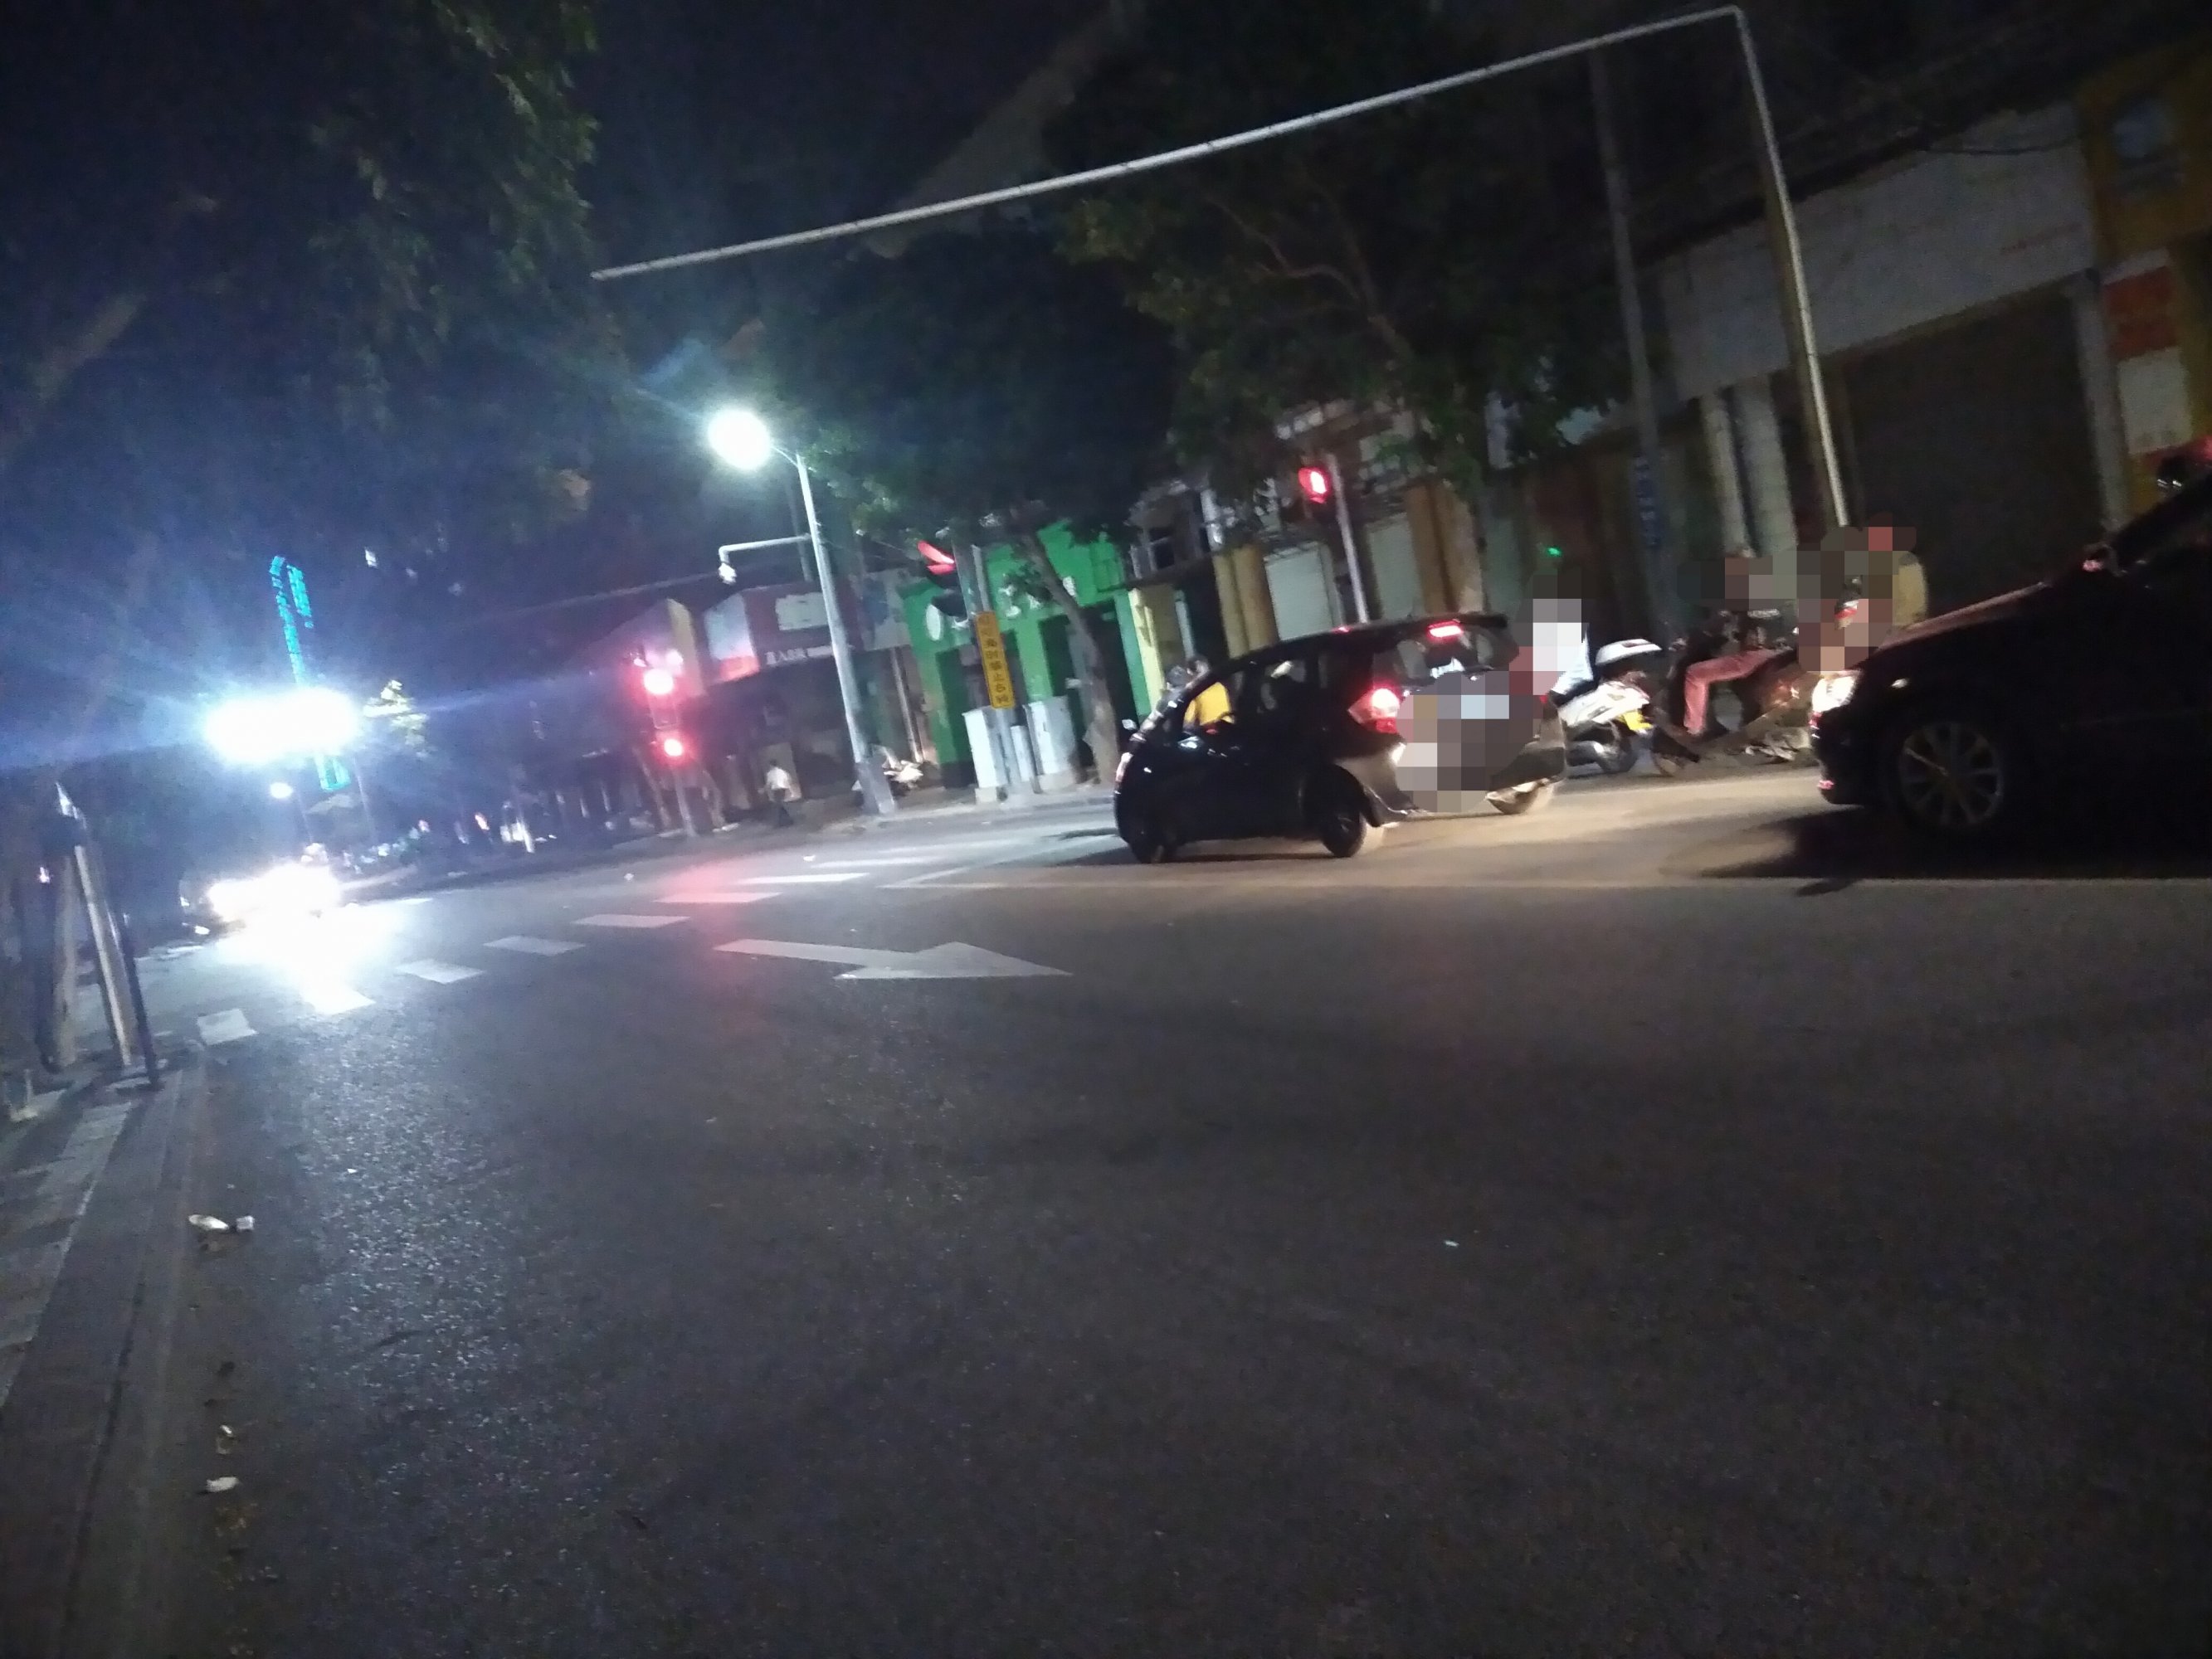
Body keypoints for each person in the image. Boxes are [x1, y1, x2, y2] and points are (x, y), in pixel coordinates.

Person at [1676, 550, 1788, 740]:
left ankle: (1694, 729)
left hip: (1755, 655)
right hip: (1781, 651)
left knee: (1695, 673)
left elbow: (1718, 621)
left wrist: (1690, 638)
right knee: (1740, 682)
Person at [763, 761, 797, 828]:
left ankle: (781, 822)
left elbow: (768, 784)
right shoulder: (782, 771)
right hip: (783, 789)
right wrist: (791, 791)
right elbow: (788, 780)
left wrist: (763, 790)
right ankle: (787, 821)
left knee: (777, 806)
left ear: (771, 765)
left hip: (776, 790)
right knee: (780, 805)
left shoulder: (770, 773)